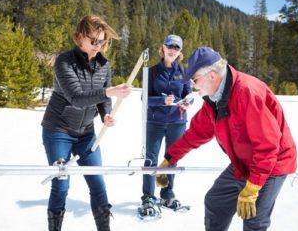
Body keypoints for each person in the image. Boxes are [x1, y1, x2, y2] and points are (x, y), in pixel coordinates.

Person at [156, 46, 297, 230]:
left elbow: (268, 146)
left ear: (212, 76)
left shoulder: (247, 92)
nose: (193, 85)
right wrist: (169, 159)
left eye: (195, 79)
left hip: (271, 163)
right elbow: (196, 133)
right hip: (243, 162)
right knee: (216, 202)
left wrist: (253, 187)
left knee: (253, 219)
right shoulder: (214, 99)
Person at [41, 15, 131, 231]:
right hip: (58, 130)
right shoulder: (64, 61)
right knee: (62, 184)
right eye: (94, 41)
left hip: (86, 133)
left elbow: (103, 99)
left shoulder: (103, 65)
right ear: (79, 37)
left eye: (102, 42)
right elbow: (77, 97)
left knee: (98, 183)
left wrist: (105, 114)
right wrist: (109, 90)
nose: (97, 47)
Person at [139, 34, 192, 217]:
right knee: (150, 160)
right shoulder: (152, 71)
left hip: (177, 122)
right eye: (170, 46)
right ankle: (148, 196)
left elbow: (189, 96)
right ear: (163, 47)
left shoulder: (185, 72)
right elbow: (144, 98)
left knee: (172, 159)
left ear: (180, 52)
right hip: (155, 122)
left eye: (176, 48)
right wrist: (162, 100)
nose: (172, 50)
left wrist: (186, 103)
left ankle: (167, 194)